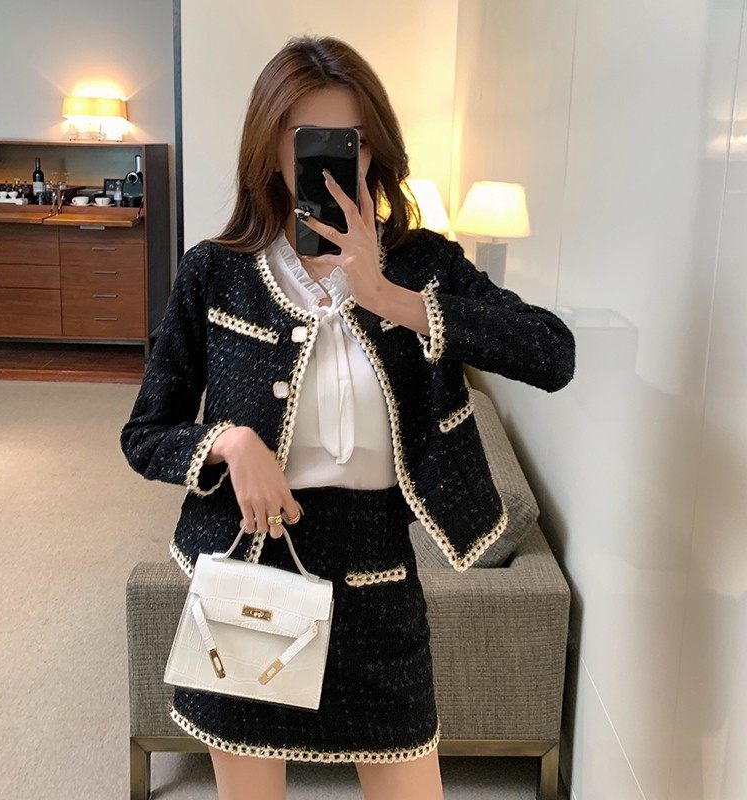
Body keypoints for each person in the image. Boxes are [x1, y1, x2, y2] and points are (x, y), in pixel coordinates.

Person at [121, 33, 576, 800]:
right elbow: (145, 434)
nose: (336, 163)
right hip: (251, 570)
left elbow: (552, 353)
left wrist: (388, 297)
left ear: (376, 151)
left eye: (353, 142)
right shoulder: (215, 272)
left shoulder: (425, 264)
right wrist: (229, 442)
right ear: (271, 150)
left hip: (378, 582)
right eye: (311, 141)